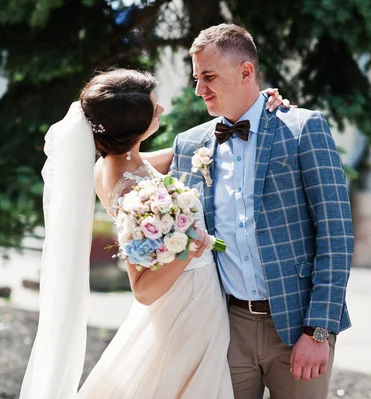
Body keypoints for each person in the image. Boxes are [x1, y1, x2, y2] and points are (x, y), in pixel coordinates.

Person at [19, 68, 288, 399]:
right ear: (134, 126)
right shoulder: (132, 196)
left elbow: (189, 149)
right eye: (154, 107)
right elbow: (143, 289)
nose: (162, 110)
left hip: (196, 302)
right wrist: (188, 249)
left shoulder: (118, 163)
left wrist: (255, 108)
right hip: (185, 311)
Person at [169, 24, 354, 399]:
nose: (198, 89)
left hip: (298, 324)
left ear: (246, 72)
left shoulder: (303, 128)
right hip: (226, 326)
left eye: (208, 77)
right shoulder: (189, 145)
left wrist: (318, 330)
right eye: (196, 78)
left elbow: (336, 234)